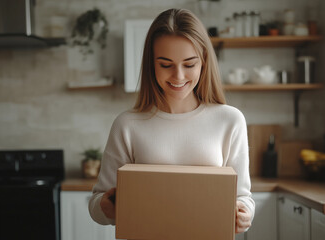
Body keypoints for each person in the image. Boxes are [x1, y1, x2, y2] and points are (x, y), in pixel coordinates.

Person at [88, 8, 255, 234]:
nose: (178, 76)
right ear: (151, 65)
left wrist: (244, 213)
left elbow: (243, 197)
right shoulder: (127, 124)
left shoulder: (230, 120)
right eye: (165, 65)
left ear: (204, 62)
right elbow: (98, 203)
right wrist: (104, 206)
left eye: (189, 64)